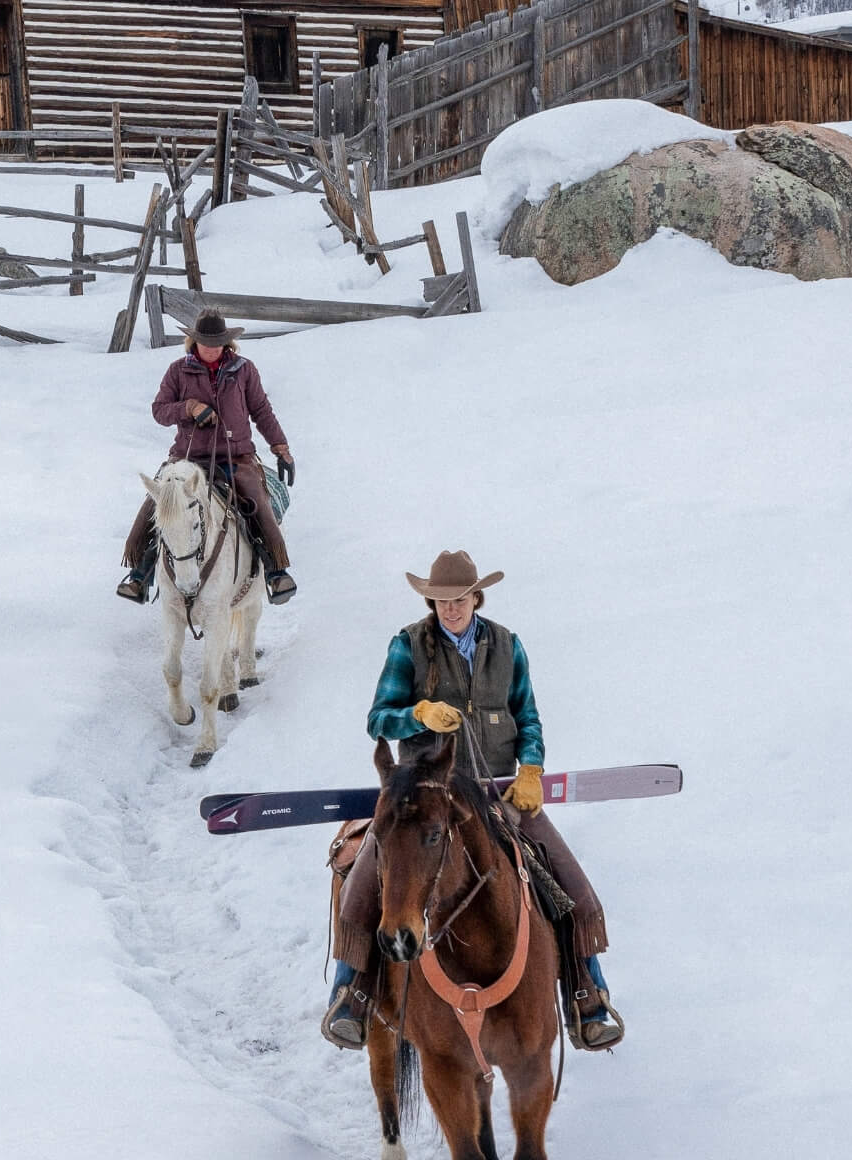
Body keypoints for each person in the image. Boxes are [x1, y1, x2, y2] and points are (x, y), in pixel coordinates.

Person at [321, 550, 625, 1053]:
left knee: (573, 889)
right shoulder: (407, 645)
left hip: (499, 793)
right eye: (441, 601)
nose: (451, 608)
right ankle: (350, 996)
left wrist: (531, 768)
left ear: (476, 598)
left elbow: (528, 717)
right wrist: (418, 713)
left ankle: (587, 998)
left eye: (459, 599)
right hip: (423, 794)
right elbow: (378, 720)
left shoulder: (508, 645)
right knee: (364, 886)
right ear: (430, 602)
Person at [117, 308, 297, 604]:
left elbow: (261, 410)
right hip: (187, 458)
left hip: (235, 457)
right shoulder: (178, 370)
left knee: (256, 503)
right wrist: (189, 407)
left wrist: (280, 447)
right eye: (206, 343)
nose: (212, 348)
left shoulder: (244, 370)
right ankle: (140, 575)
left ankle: (277, 572)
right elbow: (159, 410)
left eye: (218, 343)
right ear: (194, 341)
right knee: (157, 502)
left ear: (227, 342)